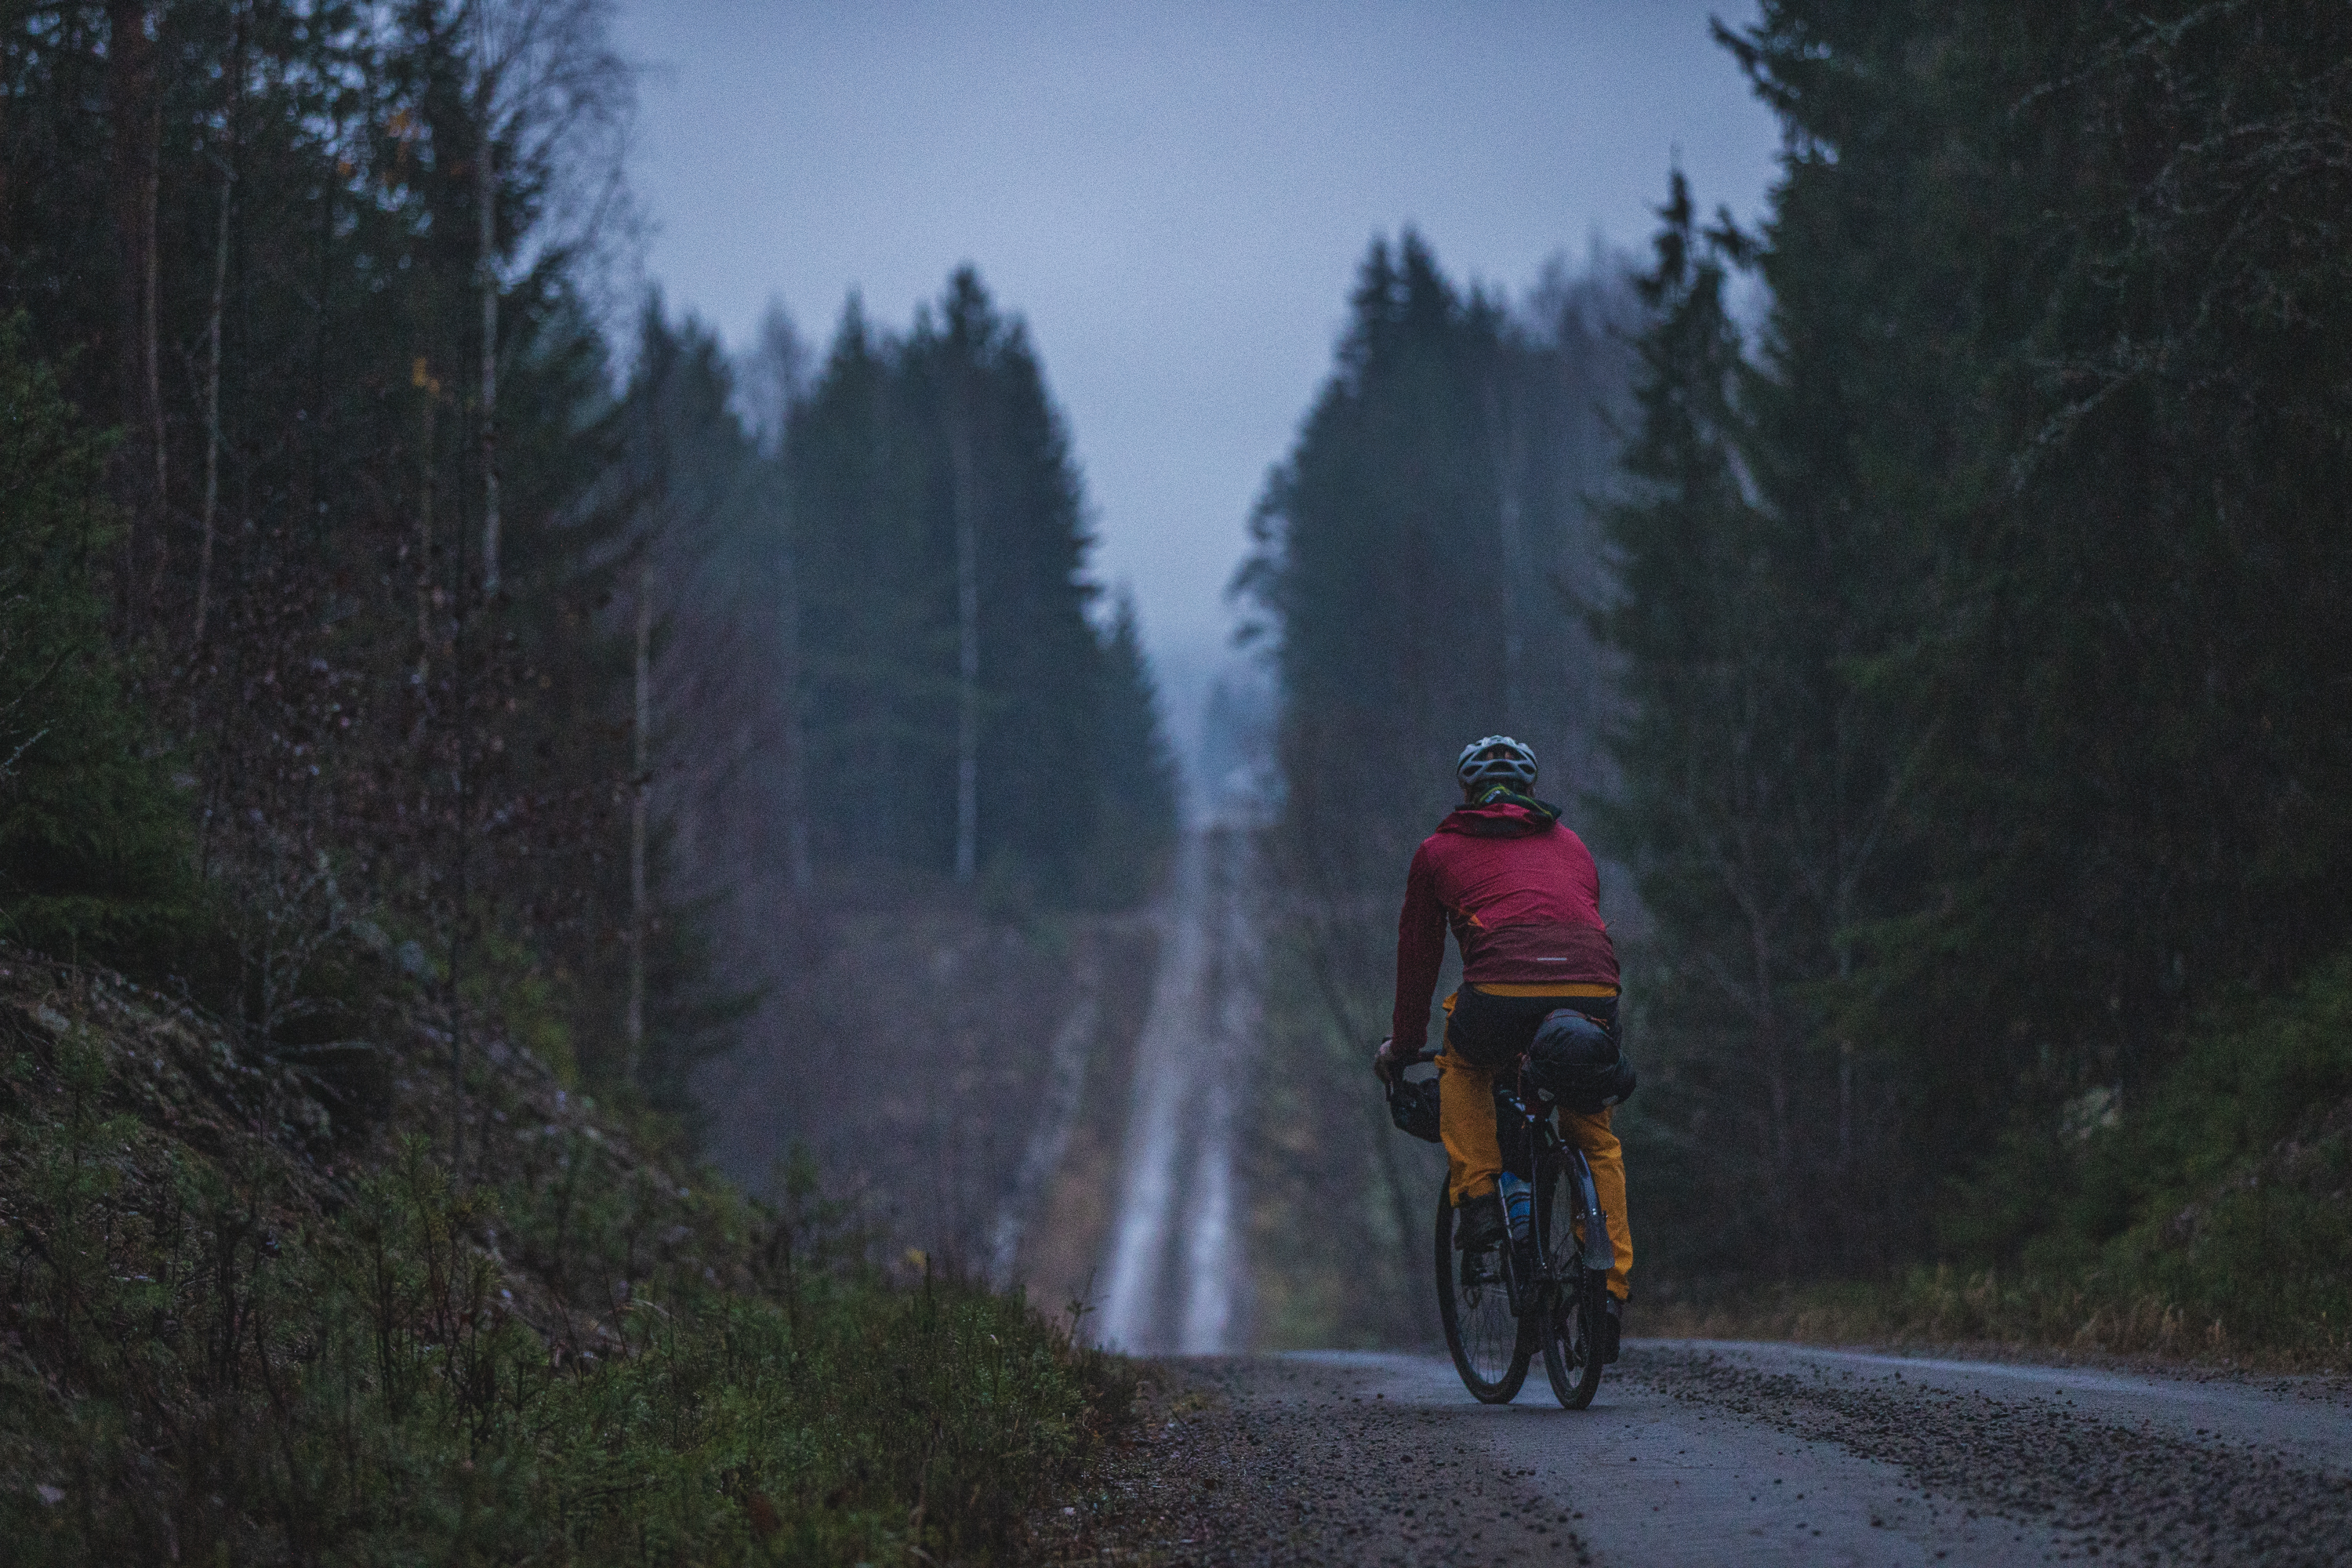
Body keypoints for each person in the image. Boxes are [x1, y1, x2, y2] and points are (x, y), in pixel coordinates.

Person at [1373, 735, 1632, 1360]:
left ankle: (1481, 1199)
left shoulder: (1438, 851)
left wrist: (1404, 1044)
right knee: (1593, 1135)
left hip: (1498, 991)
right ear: (1532, 791)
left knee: (1460, 1066)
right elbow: (1582, 919)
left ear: (1466, 794)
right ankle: (1608, 1294)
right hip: (1592, 991)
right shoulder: (1571, 845)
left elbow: (1420, 956)